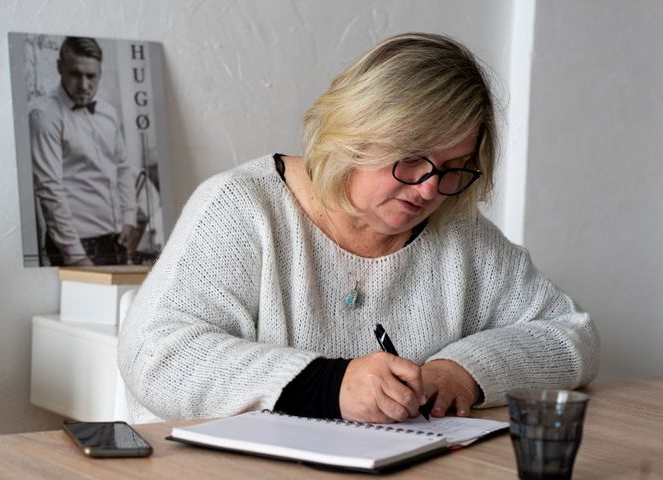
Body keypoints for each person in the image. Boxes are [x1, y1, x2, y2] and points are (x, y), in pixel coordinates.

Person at [118, 33, 599, 424]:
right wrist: (330, 386)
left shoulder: (459, 231)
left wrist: (463, 371)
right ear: (353, 134)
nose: (430, 191)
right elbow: (155, 356)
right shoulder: (244, 209)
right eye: (411, 160)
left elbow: (570, 332)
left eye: (455, 167)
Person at [29, 36, 137, 266]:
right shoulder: (45, 116)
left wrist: (129, 215)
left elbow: (122, 167)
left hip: (116, 239)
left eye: (91, 76)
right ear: (60, 67)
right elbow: (49, 189)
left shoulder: (107, 111)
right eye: (75, 74)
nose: (84, 85)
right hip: (79, 243)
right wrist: (75, 255)